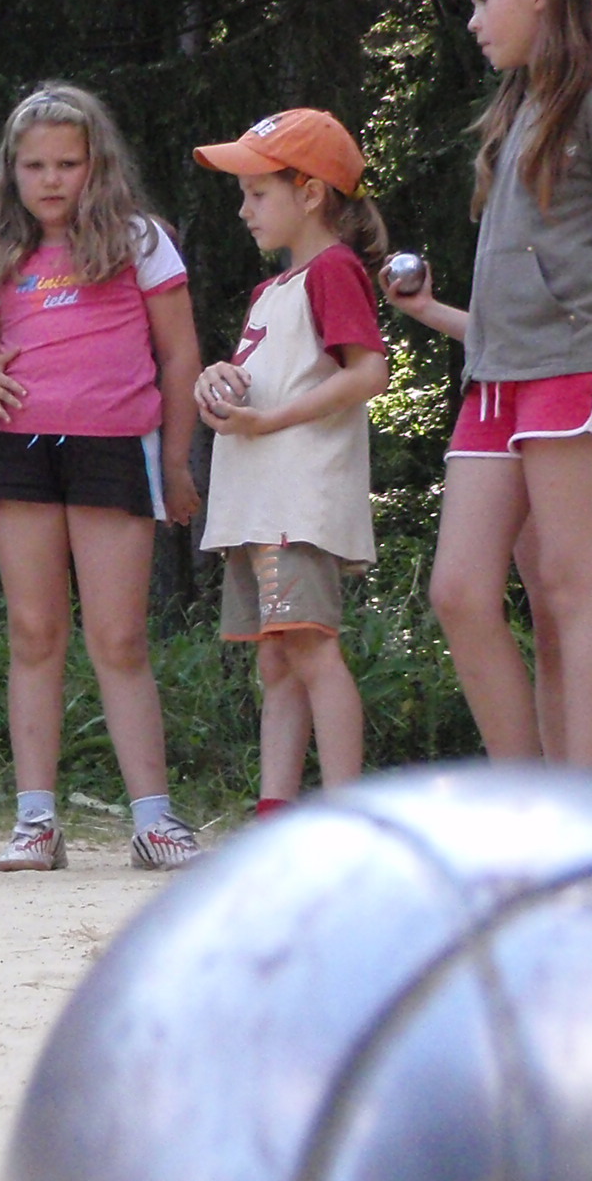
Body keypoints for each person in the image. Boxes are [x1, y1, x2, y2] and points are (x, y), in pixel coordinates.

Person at [392, 0, 592, 771]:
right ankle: (525, 798)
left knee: (569, 581)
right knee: (459, 590)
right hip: (495, 376)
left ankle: (577, 812)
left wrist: (584, 314)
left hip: (576, 368)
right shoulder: (521, 105)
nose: (474, 20)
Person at [0, 83, 205, 872]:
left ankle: (155, 821)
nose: (52, 179)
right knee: (34, 632)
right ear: (12, 171)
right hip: (20, 449)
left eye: (68, 163)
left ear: (98, 164)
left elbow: (180, 355)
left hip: (115, 447)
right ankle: (36, 821)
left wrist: (176, 460)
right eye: (35, 166)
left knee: (119, 636)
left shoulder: (139, 239)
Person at [388, 188, 592, 786]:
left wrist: (578, 346)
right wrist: (429, 310)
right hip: (535, 424)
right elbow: (515, 343)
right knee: (553, 624)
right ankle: (560, 804)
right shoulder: (526, 222)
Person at [188, 109, 393, 815]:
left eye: (257, 193)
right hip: (260, 506)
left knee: (309, 650)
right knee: (277, 659)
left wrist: (268, 420)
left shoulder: (333, 269)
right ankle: (276, 815)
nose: (244, 210)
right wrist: (215, 382)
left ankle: (344, 822)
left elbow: (369, 372)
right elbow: (264, 383)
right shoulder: (272, 290)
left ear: (309, 194)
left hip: (295, 506)